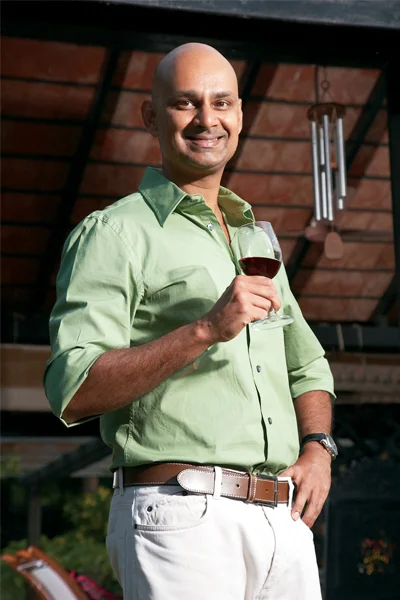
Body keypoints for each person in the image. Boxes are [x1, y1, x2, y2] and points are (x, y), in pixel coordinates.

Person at [44, 43, 336, 600]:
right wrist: (206, 329)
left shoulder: (254, 237)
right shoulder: (113, 233)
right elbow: (72, 388)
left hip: (284, 523)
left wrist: (319, 449)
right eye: (185, 103)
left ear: (240, 114)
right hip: (181, 517)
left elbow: (308, 366)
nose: (207, 119)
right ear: (151, 117)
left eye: (221, 102)